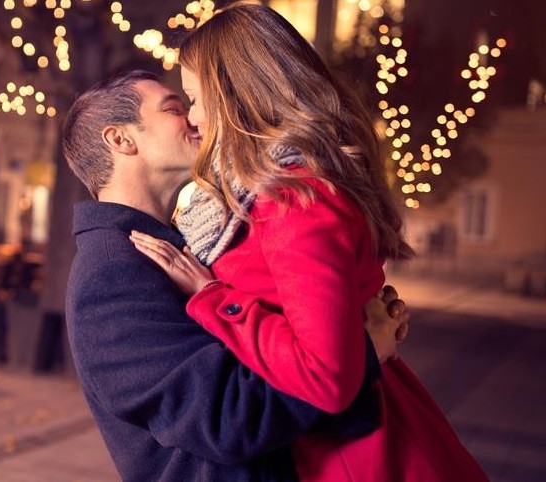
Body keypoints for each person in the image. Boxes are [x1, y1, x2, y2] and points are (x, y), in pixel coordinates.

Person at [129, 4, 487, 482]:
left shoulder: (294, 197)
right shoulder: (267, 189)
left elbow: (327, 377)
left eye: (195, 98)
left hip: (353, 454)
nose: (192, 117)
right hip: (330, 437)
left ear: (236, 94)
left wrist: (214, 298)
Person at [63, 70, 408, 482]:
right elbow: (229, 417)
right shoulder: (112, 273)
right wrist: (361, 351)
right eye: (174, 108)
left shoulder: (178, 241)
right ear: (121, 139)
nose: (194, 119)